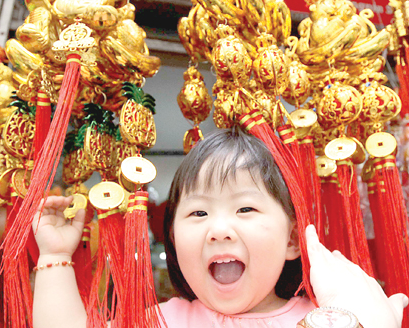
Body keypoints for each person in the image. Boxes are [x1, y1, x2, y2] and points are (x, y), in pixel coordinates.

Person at [32, 127, 408, 328]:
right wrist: (54, 256)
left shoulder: (326, 315)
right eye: (198, 214)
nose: (219, 229)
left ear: (293, 238)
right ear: (174, 240)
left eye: (245, 208)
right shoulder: (161, 321)